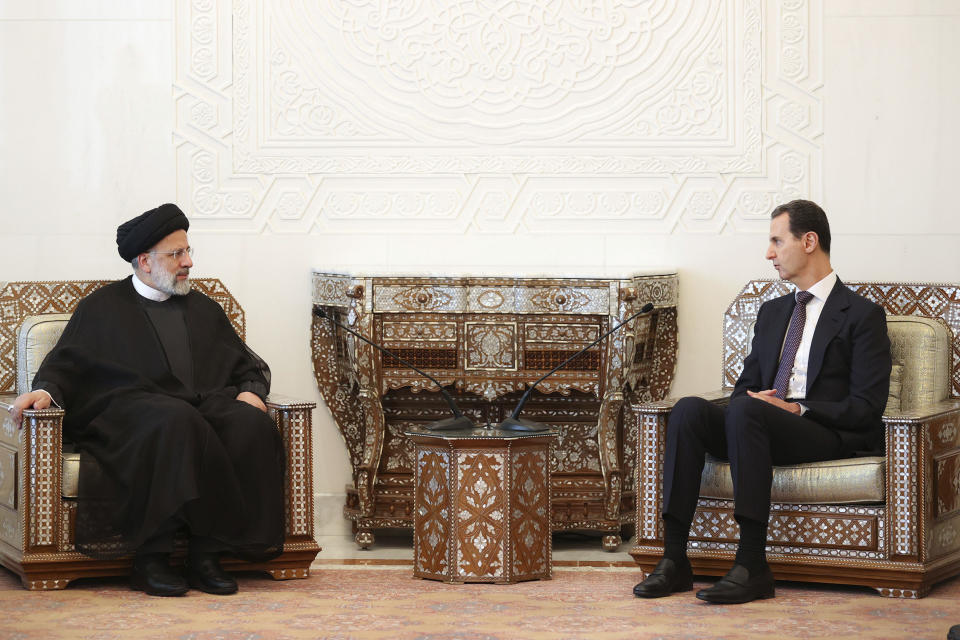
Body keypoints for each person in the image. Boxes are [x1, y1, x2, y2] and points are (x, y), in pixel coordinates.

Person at [7, 203, 284, 597]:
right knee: (174, 420)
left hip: (200, 406)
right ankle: (151, 557)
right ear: (144, 261)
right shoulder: (102, 308)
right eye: (177, 254)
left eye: (187, 251)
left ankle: (207, 554)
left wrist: (250, 392)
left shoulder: (205, 309)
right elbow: (66, 365)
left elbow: (244, 366)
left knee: (247, 422)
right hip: (131, 413)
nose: (189, 262)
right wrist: (45, 391)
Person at [633, 199, 891, 604]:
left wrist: (798, 408)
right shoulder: (772, 313)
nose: (768, 253)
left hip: (822, 432)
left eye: (776, 241)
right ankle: (674, 560)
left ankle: (752, 563)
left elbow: (868, 406)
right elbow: (744, 390)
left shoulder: (861, 315)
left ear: (809, 241)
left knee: (750, 411)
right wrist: (757, 401)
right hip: (757, 425)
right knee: (688, 410)